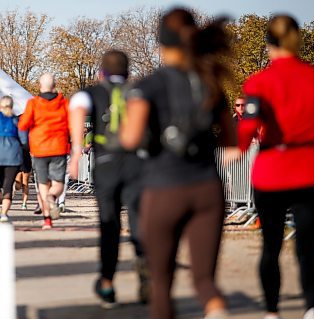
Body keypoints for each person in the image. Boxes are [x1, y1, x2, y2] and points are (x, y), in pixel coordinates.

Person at [120, 8, 236, 319]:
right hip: (208, 190)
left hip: (163, 189)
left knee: (161, 283)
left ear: (160, 42)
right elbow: (231, 141)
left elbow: (130, 138)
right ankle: (216, 310)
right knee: (204, 281)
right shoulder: (210, 81)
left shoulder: (149, 86)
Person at [231, 15, 314, 319]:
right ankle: (311, 308)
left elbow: (249, 125)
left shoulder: (259, 82)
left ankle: (272, 310)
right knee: (307, 249)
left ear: (269, 45)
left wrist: (239, 148)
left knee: (270, 246)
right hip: (310, 168)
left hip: (272, 171)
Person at [69, 50, 149, 308]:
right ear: (127, 73)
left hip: (106, 163)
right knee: (138, 219)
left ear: (101, 72)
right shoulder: (138, 91)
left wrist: (76, 150)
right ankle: (145, 265)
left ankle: (107, 284)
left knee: (109, 223)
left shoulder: (92, 92)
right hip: (137, 162)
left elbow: (77, 106)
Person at [18, 73, 70, 230]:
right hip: (59, 147)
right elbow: (73, 125)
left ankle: (47, 220)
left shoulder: (33, 103)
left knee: (42, 184)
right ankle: (52, 197)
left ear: (40, 86)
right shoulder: (64, 103)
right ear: (55, 85)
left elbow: (22, 125)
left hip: (39, 149)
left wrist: (27, 141)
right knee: (58, 184)